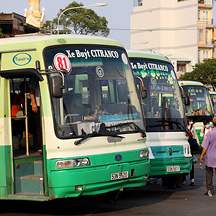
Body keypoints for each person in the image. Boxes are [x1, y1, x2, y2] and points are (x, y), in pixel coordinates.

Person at [200, 117, 216, 197]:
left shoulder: (209, 133)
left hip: (210, 157)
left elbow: (205, 147)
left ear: (212, 124)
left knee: (209, 174)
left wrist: (202, 156)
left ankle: (210, 190)